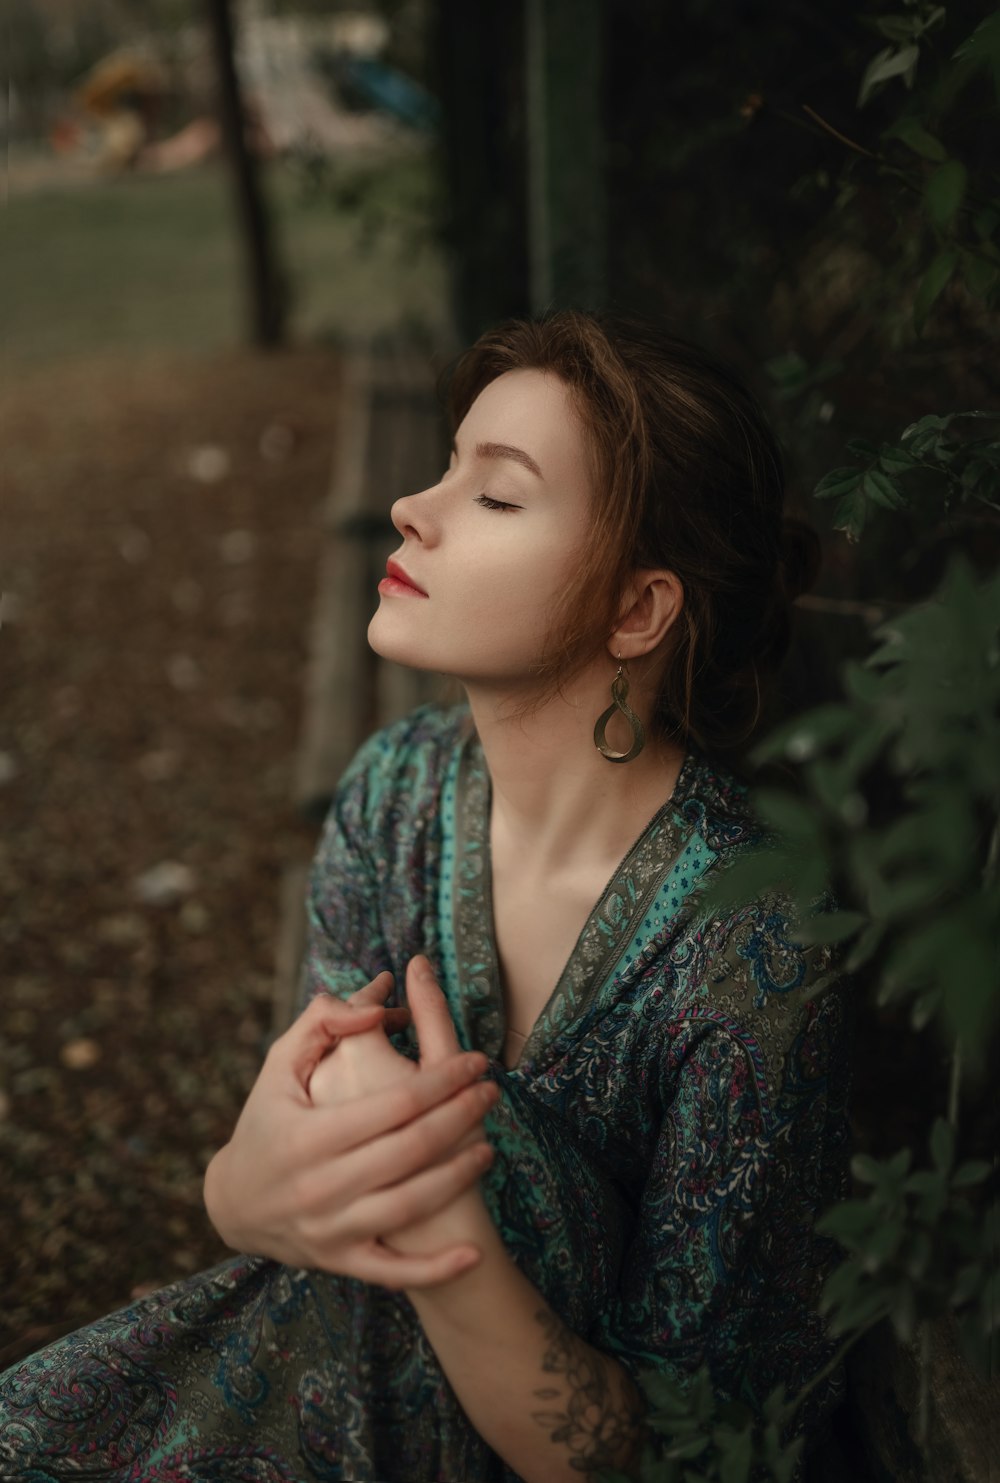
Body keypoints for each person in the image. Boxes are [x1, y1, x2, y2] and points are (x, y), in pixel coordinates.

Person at [0, 312, 852, 1482]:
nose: (415, 505)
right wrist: (238, 1193)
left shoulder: (753, 946)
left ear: (637, 610)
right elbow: (308, 1159)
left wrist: (450, 1228)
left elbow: (694, 1455)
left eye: (495, 497)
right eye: (447, 464)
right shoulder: (395, 791)